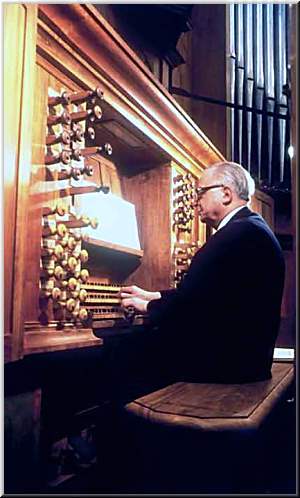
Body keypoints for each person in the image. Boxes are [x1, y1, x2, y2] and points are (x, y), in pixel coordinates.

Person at [120, 161, 285, 383]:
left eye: (201, 193)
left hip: (227, 368)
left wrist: (147, 306)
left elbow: (193, 307)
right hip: (247, 363)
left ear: (226, 194)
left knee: (123, 358)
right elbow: (211, 295)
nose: (195, 201)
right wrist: (155, 296)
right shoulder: (251, 228)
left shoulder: (237, 234)